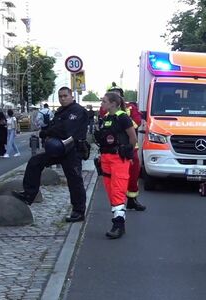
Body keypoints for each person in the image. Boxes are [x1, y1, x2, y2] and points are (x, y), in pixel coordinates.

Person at [13, 87, 90, 222]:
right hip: (58, 149)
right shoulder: (61, 111)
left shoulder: (77, 111)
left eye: (65, 96)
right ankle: (29, 194)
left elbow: (66, 129)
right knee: (35, 162)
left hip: (73, 150)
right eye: (60, 96)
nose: (62, 98)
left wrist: (47, 133)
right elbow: (52, 125)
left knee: (74, 180)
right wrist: (46, 131)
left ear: (72, 96)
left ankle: (78, 211)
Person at [94, 92, 137, 238]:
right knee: (111, 192)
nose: (102, 104)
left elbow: (133, 137)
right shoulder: (105, 118)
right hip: (106, 158)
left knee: (118, 191)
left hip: (119, 158)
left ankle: (118, 225)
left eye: (104, 101)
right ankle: (118, 221)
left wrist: (128, 153)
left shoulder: (123, 118)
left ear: (113, 103)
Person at [107, 85, 146, 211]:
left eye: (117, 94)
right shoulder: (106, 110)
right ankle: (117, 202)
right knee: (115, 177)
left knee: (133, 174)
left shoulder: (131, 108)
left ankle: (132, 200)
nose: (115, 97)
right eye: (112, 95)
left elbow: (137, 122)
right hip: (113, 149)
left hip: (130, 147)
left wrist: (123, 120)